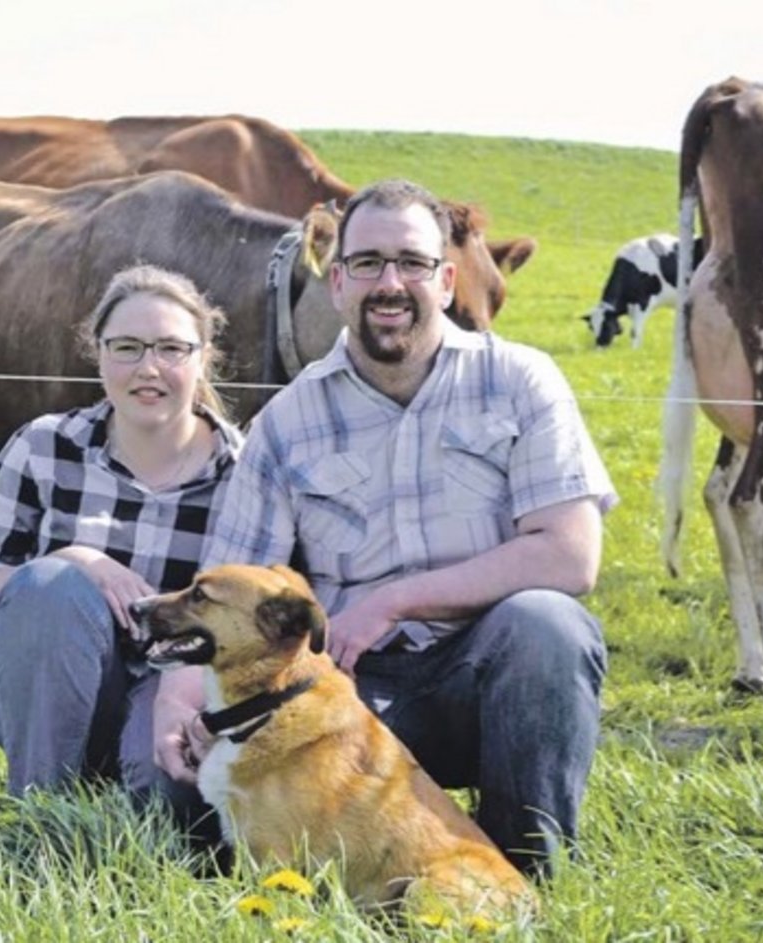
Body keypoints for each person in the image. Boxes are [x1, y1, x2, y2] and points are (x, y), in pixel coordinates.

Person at [155, 178, 615, 879]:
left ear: (447, 277)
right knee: (181, 806)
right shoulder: (287, 422)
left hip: (487, 679)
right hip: (345, 697)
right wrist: (181, 707)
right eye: (367, 263)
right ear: (336, 281)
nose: (389, 283)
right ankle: (360, 877)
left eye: (412, 262)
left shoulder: (521, 381)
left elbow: (570, 554)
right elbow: (228, 583)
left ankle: (526, 870)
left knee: (549, 624)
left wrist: (395, 597)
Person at [0, 264, 242, 836]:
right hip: (42, 686)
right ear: (98, 353)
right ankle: (37, 822)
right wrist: (70, 560)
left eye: (171, 349)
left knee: (171, 807)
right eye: (126, 348)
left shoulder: (246, 474)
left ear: (203, 356)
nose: (148, 369)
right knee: (53, 589)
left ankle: (127, 815)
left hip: (176, 691)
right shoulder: (44, 447)